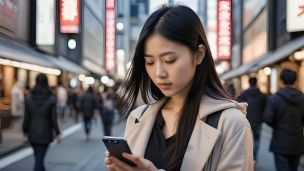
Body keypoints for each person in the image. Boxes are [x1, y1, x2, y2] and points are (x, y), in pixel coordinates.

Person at [104, 5, 253, 171]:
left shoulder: (231, 123)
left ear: (199, 55)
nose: (159, 73)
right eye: (150, 62)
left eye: (169, 60)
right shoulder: (138, 117)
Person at [264, 69, 304, 171]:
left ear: (281, 81)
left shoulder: (274, 99)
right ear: (296, 82)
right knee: (294, 168)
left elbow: (268, 119)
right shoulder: (302, 98)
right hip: (297, 142)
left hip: (280, 141)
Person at [23, 74, 61, 171]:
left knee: (38, 158)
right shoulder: (51, 99)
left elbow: (27, 117)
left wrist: (25, 130)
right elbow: (53, 118)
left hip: (32, 132)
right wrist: (57, 133)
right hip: (46, 132)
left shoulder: (29, 98)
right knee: (39, 160)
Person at [237, 77, 267, 162]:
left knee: (246, 138)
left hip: (246, 119)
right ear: (256, 82)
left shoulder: (244, 94)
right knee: (257, 138)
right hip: (258, 119)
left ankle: (248, 154)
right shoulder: (262, 95)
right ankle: (255, 154)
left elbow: (239, 106)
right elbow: (265, 108)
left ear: (249, 83)